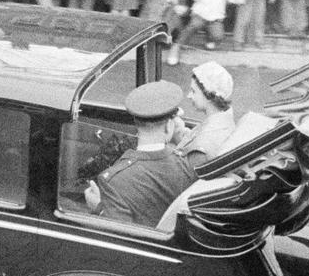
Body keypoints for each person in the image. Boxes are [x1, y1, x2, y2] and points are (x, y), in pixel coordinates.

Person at [85, 80, 198, 227]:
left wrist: (99, 209)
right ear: (169, 127)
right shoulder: (186, 165)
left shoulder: (113, 182)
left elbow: (120, 240)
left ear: (136, 125)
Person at [177, 62, 237, 165]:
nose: (189, 96)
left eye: (193, 91)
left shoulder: (201, 148)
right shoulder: (223, 121)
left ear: (209, 95)